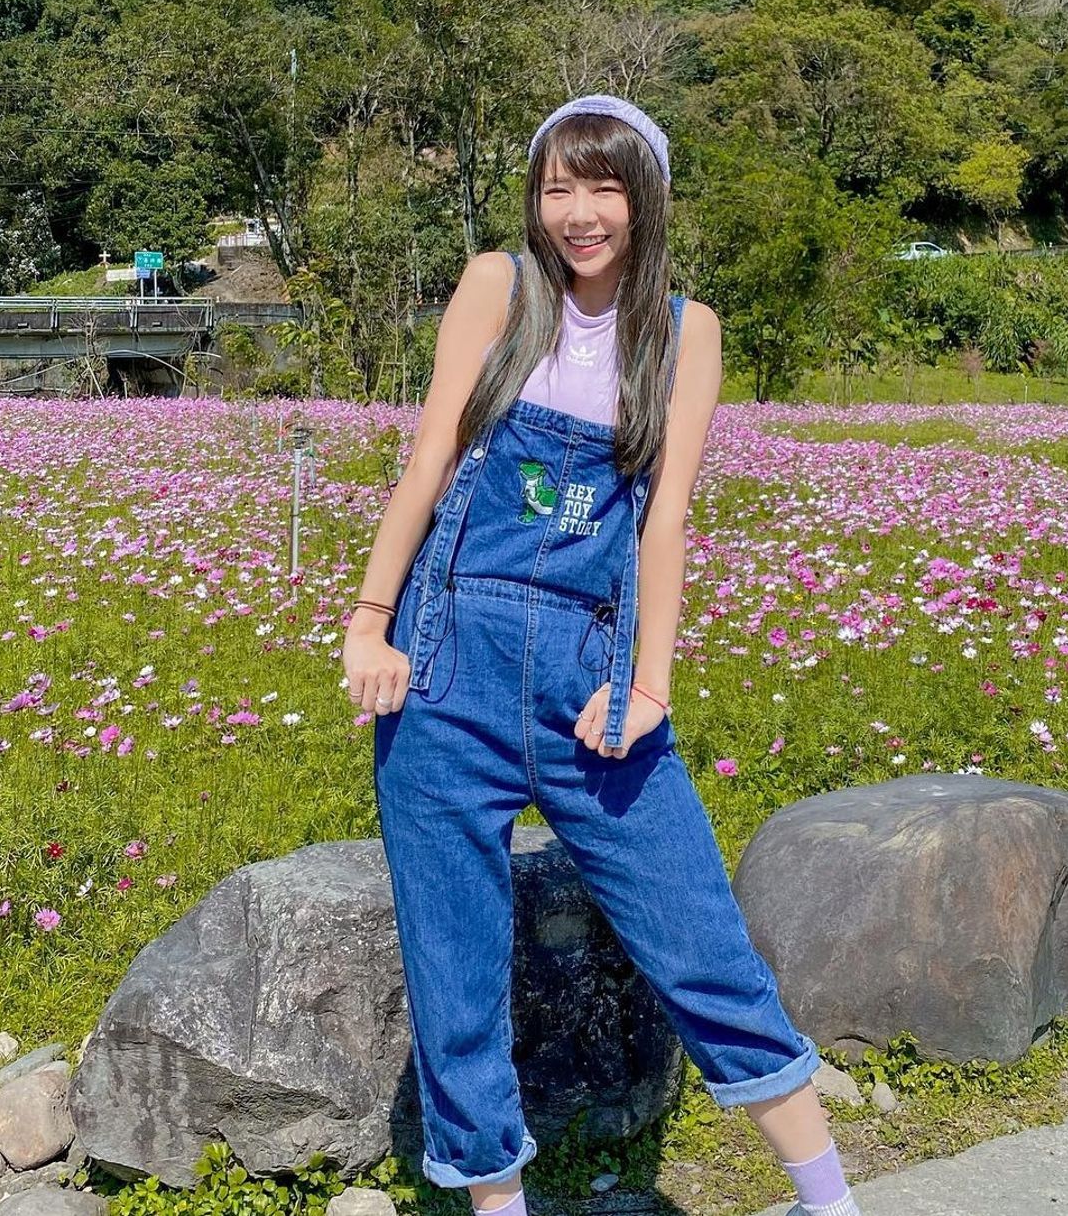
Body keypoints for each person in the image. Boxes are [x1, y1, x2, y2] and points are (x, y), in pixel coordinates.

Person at [343, 95, 862, 1216]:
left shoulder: (684, 331)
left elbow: (664, 521)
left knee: (699, 940)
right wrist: (369, 620)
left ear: (646, 198)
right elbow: (430, 460)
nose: (578, 213)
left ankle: (832, 1202)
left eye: (604, 187)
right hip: (445, 670)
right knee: (453, 976)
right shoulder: (496, 286)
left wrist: (648, 686)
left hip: (591, 682)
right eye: (557, 188)